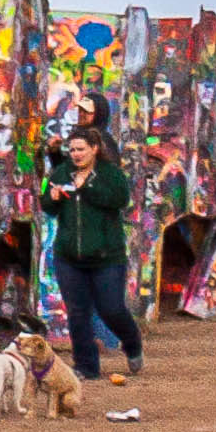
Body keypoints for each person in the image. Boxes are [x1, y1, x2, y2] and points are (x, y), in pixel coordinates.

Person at [46, 114, 141, 385]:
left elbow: (119, 200)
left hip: (106, 257)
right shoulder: (62, 172)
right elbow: (48, 206)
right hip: (69, 256)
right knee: (77, 312)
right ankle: (86, 366)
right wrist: (51, 198)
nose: (75, 155)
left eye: (81, 149)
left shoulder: (110, 175)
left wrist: (86, 188)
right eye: (72, 150)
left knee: (111, 308)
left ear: (94, 149)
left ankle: (132, 343)